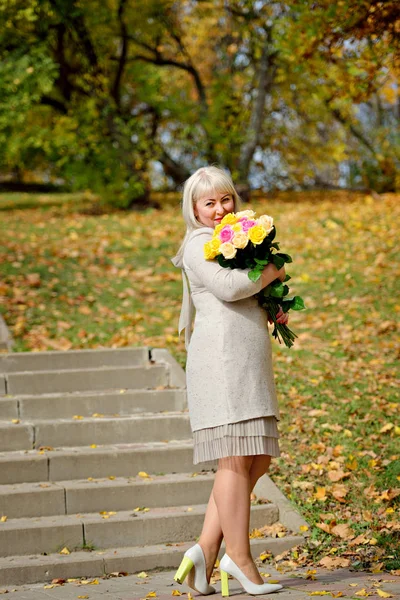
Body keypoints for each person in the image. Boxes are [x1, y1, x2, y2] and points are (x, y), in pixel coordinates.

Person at [171, 166, 288, 597]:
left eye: (225, 199)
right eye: (209, 203)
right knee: (235, 460)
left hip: (246, 361)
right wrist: (268, 273)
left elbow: (245, 291)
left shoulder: (234, 237)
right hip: (220, 363)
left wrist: (271, 303)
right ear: (194, 208)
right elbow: (225, 287)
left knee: (256, 459)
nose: (220, 209)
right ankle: (239, 560)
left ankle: (203, 548)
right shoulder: (198, 244)